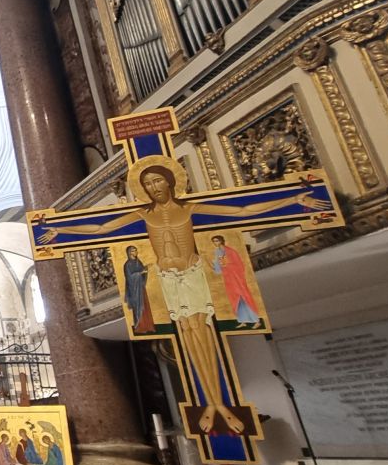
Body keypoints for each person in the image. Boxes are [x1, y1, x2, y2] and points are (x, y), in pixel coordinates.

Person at [39, 161, 328, 434]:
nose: (154, 187)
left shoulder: (191, 208)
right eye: (148, 183)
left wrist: (293, 200)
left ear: (171, 181)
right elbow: (101, 228)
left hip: (192, 274)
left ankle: (219, 405)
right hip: (168, 279)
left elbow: (242, 211)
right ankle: (213, 405)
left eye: (158, 181)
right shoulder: (143, 215)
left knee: (204, 333)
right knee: (188, 336)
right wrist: (58, 229)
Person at [210, 235, 262, 326]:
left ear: (221, 241)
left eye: (217, 240)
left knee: (244, 296)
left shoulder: (230, 251)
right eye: (214, 241)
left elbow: (239, 265)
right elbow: (218, 269)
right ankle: (243, 320)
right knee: (234, 298)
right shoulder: (217, 252)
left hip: (236, 278)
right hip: (228, 279)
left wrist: (227, 264)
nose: (215, 243)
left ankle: (256, 320)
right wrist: (215, 265)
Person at [122, 244, 155, 333]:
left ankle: (148, 326)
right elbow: (129, 277)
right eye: (133, 251)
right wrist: (140, 272)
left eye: (136, 250)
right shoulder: (127, 265)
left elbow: (142, 271)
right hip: (134, 290)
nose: (135, 252)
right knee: (138, 306)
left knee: (145, 306)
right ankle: (140, 326)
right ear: (129, 253)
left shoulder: (138, 262)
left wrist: (146, 268)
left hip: (141, 287)